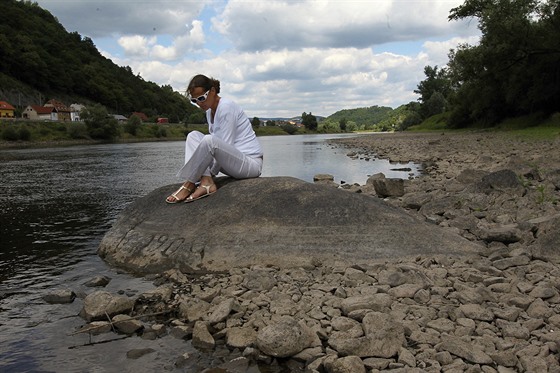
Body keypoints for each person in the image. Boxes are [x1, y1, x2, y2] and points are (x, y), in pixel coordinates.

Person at [166, 74, 263, 203]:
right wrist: (205, 174)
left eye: (201, 98)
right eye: (195, 101)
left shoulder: (226, 107)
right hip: (233, 160)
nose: (199, 103)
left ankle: (190, 183)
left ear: (212, 91)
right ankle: (206, 182)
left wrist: (208, 172)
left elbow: (224, 144)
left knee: (208, 140)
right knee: (193, 136)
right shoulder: (209, 111)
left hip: (250, 164)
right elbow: (218, 149)